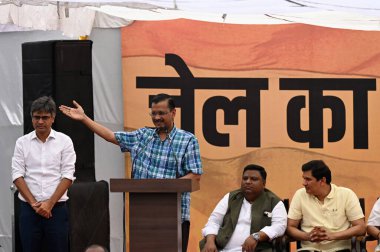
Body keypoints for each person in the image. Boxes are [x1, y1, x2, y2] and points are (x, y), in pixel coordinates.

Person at [59, 93, 202, 251]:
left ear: (173, 113)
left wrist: (165, 187)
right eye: (153, 113)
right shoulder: (143, 136)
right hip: (142, 218)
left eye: (161, 113)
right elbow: (110, 136)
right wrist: (84, 118)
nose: (157, 117)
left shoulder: (187, 140)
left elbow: (195, 175)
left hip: (175, 218)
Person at [11, 96, 76, 252]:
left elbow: (68, 176)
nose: (40, 121)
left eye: (45, 117)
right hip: (29, 209)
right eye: (36, 117)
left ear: (53, 118)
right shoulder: (22, 142)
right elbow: (17, 175)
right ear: (32, 118)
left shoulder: (65, 141)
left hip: (57, 209)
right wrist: (35, 204)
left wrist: (49, 204)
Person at [200, 164, 287, 252]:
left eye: (254, 179)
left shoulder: (274, 202)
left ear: (264, 183)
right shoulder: (231, 197)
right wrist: (210, 241)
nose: (248, 182)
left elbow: (279, 226)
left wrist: (256, 236)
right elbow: (214, 221)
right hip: (222, 249)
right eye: (245, 178)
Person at [287, 160, 365, 252]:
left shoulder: (346, 194)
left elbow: (361, 227)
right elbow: (290, 227)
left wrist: (332, 236)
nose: (303, 183)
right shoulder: (300, 195)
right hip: (310, 249)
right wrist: (308, 236)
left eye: (308, 179)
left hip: (341, 249)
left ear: (322, 180)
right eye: (304, 178)